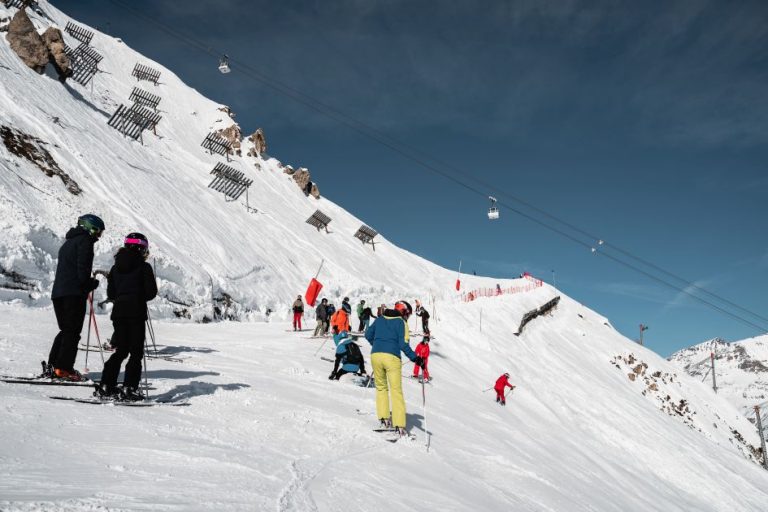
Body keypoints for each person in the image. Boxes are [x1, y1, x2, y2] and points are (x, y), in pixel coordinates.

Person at [96, 233, 157, 400]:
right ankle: (130, 387)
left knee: (120, 351)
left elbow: (112, 293)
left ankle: (106, 384)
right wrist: (138, 295)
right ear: (141, 248)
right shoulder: (144, 267)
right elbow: (151, 293)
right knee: (135, 353)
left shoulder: (116, 267)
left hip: (119, 313)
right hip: (136, 312)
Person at [45, 214, 104, 381]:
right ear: (90, 228)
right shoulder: (84, 242)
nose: (98, 236)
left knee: (66, 331)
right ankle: (63, 368)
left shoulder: (68, 243)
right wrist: (90, 283)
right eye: (98, 231)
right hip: (73, 293)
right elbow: (82, 271)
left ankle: (54, 365)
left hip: (59, 293)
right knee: (72, 333)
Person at [365, 301, 424, 437]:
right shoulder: (401, 323)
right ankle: (399, 425)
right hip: (392, 358)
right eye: (407, 314)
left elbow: (368, 335)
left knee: (381, 388)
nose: (407, 317)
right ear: (403, 311)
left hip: (376, 355)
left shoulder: (380, 319)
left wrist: (378, 345)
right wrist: (416, 359)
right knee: (396, 391)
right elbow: (403, 345)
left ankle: (384, 419)